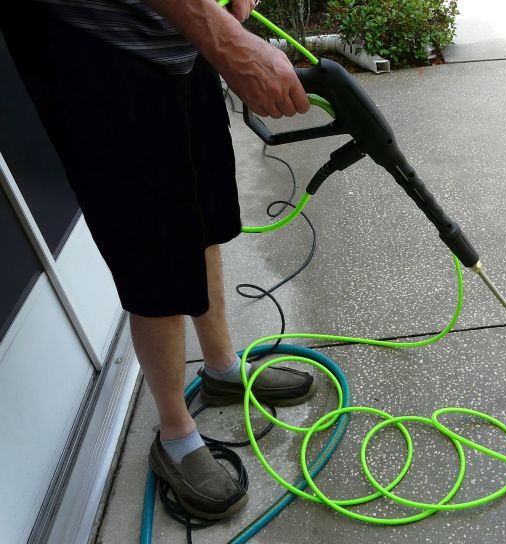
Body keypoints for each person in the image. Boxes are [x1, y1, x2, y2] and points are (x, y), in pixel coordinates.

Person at [4, 0, 313, 520]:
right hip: (98, 44)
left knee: (203, 213)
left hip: (177, 35)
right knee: (151, 243)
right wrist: (222, 35)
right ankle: (175, 434)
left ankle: (220, 369)